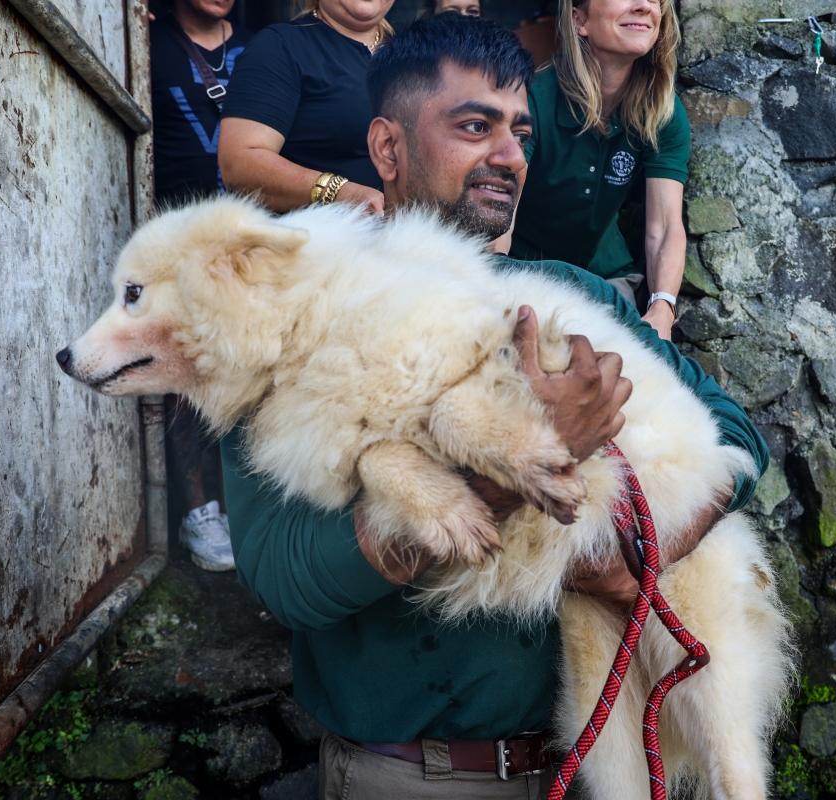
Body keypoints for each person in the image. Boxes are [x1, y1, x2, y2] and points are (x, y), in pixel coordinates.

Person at [221, 15, 767, 798]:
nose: (508, 155)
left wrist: (632, 566)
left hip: (595, 763)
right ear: (388, 149)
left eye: (518, 130)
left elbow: (738, 436)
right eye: (473, 126)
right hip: (419, 778)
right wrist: (521, 469)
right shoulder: (298, 322)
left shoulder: (569, 293)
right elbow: (285, 580)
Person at [509, 0, 688, 341]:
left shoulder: (663, 110)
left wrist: (662, 309)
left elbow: (664, 226)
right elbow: (503, 214)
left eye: (654, 0)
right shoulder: (531, 101)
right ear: (580, 20)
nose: (644, 7)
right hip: (526, 272)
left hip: (607, 277)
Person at [151, 0, 252, 571]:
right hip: (175, 234)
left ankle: (249, 504)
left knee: (247, 366)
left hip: (247, 235)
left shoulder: (263, 45)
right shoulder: (149, 46)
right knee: (184, 369)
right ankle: (200, 511)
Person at [216, 0, 395, 213]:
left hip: (410, 237)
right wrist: (339, 192)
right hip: (314, 240)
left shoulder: (413, 51)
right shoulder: (279, 46)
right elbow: (238, 164)